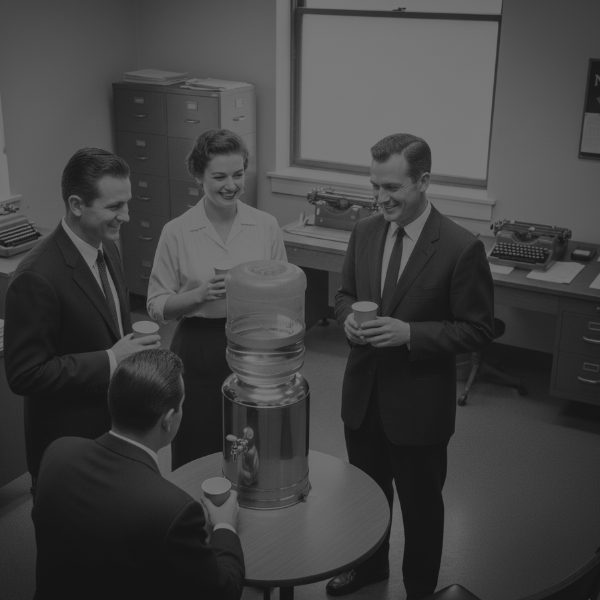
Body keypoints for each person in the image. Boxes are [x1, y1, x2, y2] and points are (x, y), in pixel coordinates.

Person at [326, 133, 495, 599]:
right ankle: (368, 569)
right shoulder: (363, 231)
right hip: (363, 398)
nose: (380, 199)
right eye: (375, 186)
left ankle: (421, 589)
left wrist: (412, 334)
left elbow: (479, 330)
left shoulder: (461, 247)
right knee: (367, 497)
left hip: (419, 409)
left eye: (393, 189)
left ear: (423, 181)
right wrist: (346, 324)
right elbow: (342, 297)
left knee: (422, 509)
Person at [4, 147, 161, 489]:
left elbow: (106, 327)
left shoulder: (109, 249)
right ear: (76, 205)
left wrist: (130, 352)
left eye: (127, 203)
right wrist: (111, 359)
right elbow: (25, 374)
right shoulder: (35, 277)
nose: (128, 216)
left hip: (116, 434)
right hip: (68, 448)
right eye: (115, 207)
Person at [32, 348, 245, 600]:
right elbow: (223, 592)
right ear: (167, 420)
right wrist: (224, 524)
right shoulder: (174, 511)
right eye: (182, 405)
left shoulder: (57, 453)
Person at [147, 128, 287, 469]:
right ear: (198, 176)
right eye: (219, 176)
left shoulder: (265, 225)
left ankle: (241, 503)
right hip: (197, 347)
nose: (231, 185)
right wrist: (198, 295)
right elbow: (156, 306)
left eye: (238, 175)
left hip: (252, 344)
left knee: (246, 438)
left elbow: (283, 289)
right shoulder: (177, 231)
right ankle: (196, 513)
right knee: (197, 439)